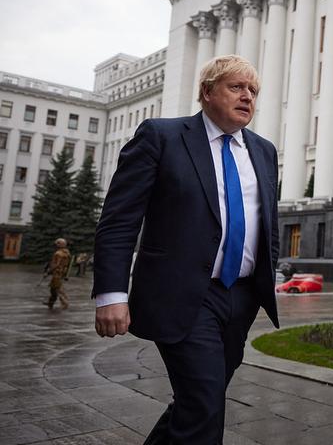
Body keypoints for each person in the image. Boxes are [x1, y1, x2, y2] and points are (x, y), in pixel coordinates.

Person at [93, 55, 280, 444]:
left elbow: (267, 225)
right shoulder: (161, 136)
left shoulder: (264, 151)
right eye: (237, 87)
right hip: (184, 295)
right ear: (207, 92)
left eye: (253, 91)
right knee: (203, 404)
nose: (248, 97)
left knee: (198, 401)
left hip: (241, 298)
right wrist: (111, 294)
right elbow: (120, 218)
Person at [44, 238, 71, 310]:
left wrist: (48, 272)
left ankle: (65, 304)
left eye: (57, 244)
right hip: (62, 272)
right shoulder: (67, 253)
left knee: (58, 289)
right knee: (53, 288)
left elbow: (56, 264)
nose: (55, 245)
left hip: (57, 273)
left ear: (60, 244)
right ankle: (50, 302)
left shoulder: (58, 253)